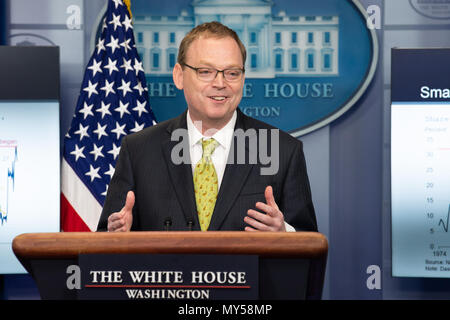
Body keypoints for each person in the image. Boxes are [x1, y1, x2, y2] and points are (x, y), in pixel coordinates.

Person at [97, 21, 317, 232]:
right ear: (179, 76)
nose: (220, 83)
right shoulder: (139, 150)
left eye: (232, 73)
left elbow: (309, 245)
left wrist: (283, 234)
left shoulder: (282, 151)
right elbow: (103, 248)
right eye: (205, 71)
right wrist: (118, 237)